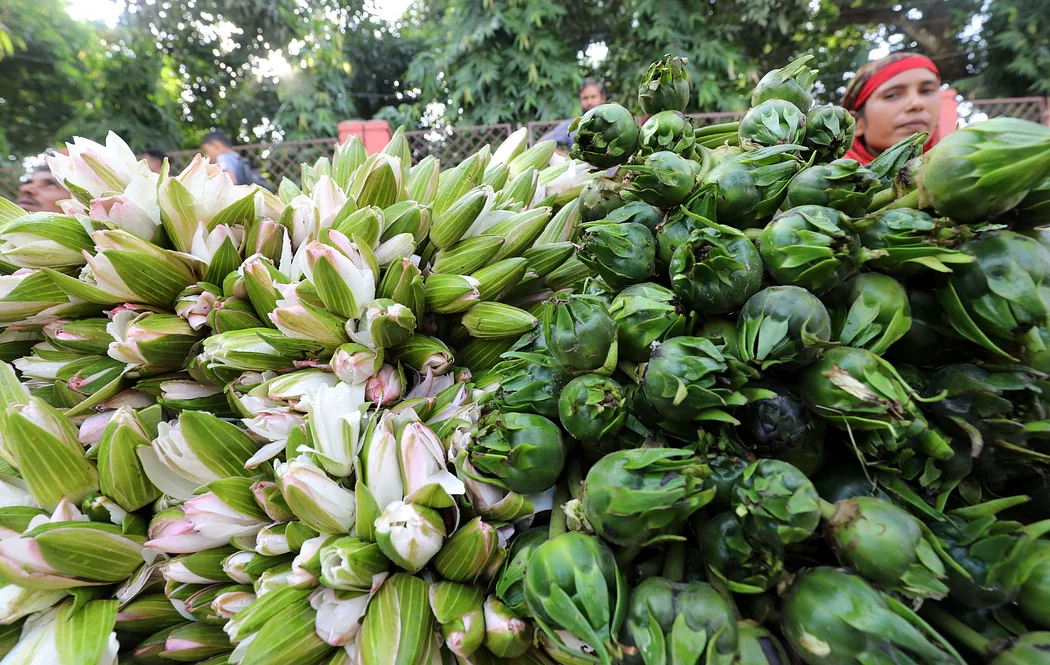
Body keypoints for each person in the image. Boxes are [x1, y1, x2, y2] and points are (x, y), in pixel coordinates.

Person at [841, 53, 943, 165]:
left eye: (927, 90)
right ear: (855, 123)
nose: (917, 104)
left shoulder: (957, 174)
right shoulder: (825, 177)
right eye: (892, 95)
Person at [542, 79, 608, 155]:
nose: (589, 102)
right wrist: (569, 160)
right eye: (585, 98)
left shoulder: (613, 124)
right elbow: (541, 144)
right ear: (580, 101)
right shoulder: (572, 125)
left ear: (603, 99)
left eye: (593, 97)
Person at [200, 130, 273, 191]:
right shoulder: (235, 156)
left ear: (216, 145)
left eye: (206, 150)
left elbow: (230, 182)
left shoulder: (223, 158)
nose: (207, 155)